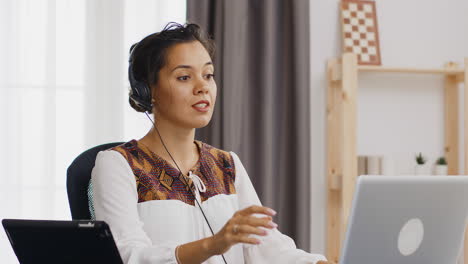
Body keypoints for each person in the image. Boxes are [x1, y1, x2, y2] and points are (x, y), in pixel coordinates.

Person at [91, 22, 330, 264]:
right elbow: (128, 256)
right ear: (147, 90)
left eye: (208, 75)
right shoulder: (118, 165)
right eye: (184, 77)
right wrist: (214, 244)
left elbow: (269, 249)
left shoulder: (227, 164)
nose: (202, 87)